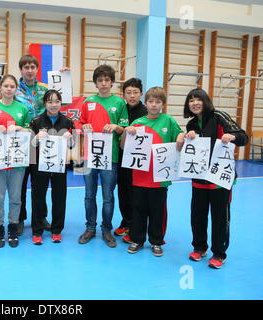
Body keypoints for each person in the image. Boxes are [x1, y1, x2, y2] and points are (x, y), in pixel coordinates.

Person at [183, 88, 248, 269]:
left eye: (198, 99)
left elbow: (243, 137)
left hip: (220, 179)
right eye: (191, 100)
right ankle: (199, 247)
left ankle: (219, 253)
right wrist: (189, 136)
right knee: (197, 215)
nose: (195, 103)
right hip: (199, 178)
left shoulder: (219, 117)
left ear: (205, 101)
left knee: (220, 217)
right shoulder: (192, 124)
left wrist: (232, 136)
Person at [121, 86, 185, 257]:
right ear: (146, 103)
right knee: (138, 209)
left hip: (160, 176)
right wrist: (127, 133)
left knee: (157, 211)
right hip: (139, 176)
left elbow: (179, 138)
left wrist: (181, 136)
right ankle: (137, 239)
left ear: (163, 104)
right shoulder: (137, 123)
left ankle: (156, 241)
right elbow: (123, 146)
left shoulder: (168, 120)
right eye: (151, 101)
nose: (154, 105)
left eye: (158, 102)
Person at [78, 64, 129, 248]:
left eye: (107, 80)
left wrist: (116, 127)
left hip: (111, 156)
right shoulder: (87, 102)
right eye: (100, 80)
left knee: (108, 195)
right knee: (89, 195)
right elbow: (80, 125)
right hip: (88, 156)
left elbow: (125, 128)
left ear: (112, 82)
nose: (104, 83)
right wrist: (84, 127)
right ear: (95, 83)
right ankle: (90, 228)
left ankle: (106, 229)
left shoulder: (119, 103)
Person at [0, 74, 30, 248]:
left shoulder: (22, 108)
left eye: (12, 86)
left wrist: (20, 128)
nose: (9, 89)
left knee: (16, 198)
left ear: (16, 89)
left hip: (17, 161)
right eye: (6, 86)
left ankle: (12, 226)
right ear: (0, 88)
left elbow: (29, 132)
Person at [29, 90, 75, 245]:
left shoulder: (68, 122)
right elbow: (29, 146)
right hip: (40, 166)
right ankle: (37, 231)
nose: (53, 105)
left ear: (61, 103)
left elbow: (73, 145)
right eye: (50, 101)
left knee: (59, 198)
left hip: (59, 166)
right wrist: (35, 138)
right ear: (45, 103)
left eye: (57, 101)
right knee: (38, 198)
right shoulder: (36, 121)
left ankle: (56, 230)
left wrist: (69, 140)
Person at [15, 54, 50, 235]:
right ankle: (19, 218)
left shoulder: (45, 89)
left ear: (37, 69)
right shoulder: (14, 90)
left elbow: (62, 100)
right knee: (19, 183)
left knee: (40, 184)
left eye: (32, 67)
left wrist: (65, 77)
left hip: (42, 141)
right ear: (21, 69)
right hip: (20, 142)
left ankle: (40, 217)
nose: (29, 70)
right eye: (26, 67)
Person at [116, 78, 147, 244]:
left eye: (135, 92)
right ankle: (125, 222)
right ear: (123, 94)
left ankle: (136, 227)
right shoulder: (121, 109)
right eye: (129, 92)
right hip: (122, 158)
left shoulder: (146, 111)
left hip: (139, 160)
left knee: (137, 195)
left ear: (141, 94)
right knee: (123, 192)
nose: (132, 95)